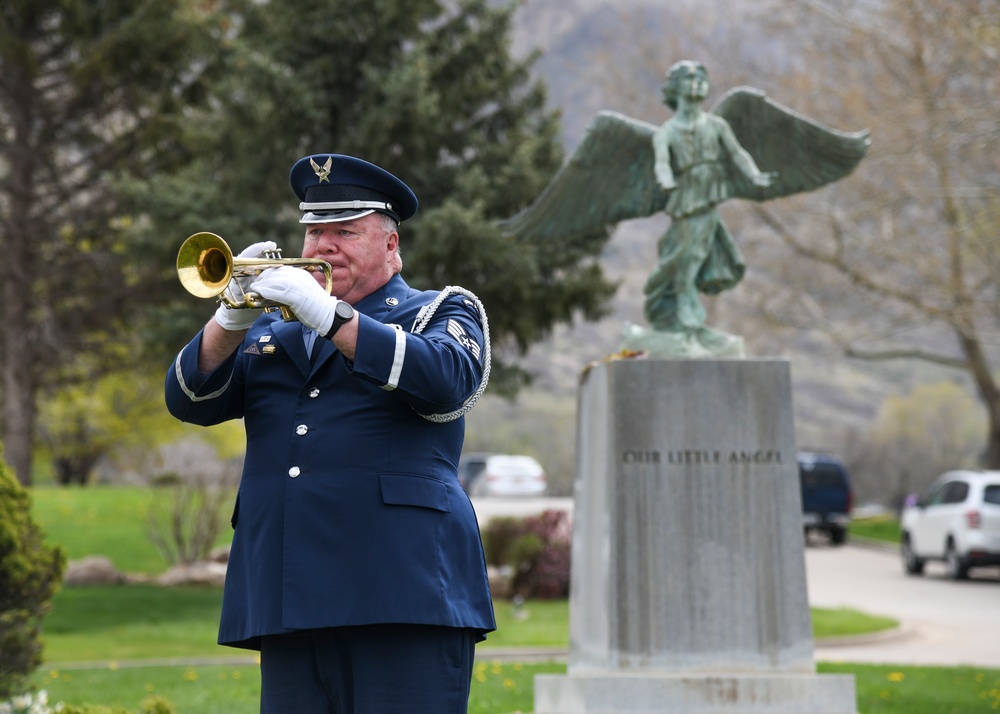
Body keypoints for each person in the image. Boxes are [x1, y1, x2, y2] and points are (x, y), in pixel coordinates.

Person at [164, 153, 495, 713]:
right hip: (289, 595)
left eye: (345, 230)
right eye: (315, 231)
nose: (323, 246)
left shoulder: (439, 310)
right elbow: (189, 399)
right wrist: (230, 317)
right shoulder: (271, 330)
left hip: (404, 591)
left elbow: (446, 381)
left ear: (391, 245)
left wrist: (330, 317)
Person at [645, 59, 776, 337]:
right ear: (675, 88)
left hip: (709, 192)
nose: (698, 83)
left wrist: (754, 175)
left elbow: (737, 153)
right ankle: (678, 297)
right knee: (685, 249)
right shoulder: (666, 132)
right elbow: (661, 162)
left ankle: (686, 299)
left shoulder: (716, 126)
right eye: (690, 78)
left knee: (699, 248)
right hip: (685, 196)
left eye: (702, 79)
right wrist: (666, 179)